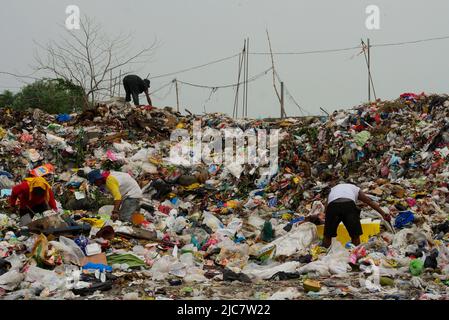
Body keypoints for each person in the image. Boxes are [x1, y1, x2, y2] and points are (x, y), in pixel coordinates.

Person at [322, 182, 391, 248]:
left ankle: (323, 255)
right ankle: (357, 254)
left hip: (332, 206)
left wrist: (328, 219)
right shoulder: (355, 188)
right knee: (355, 235)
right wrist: (383, 214)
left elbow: (326, 206)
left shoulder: (333, 189)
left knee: (328, 235)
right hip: (349, 205)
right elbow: (369, 201)